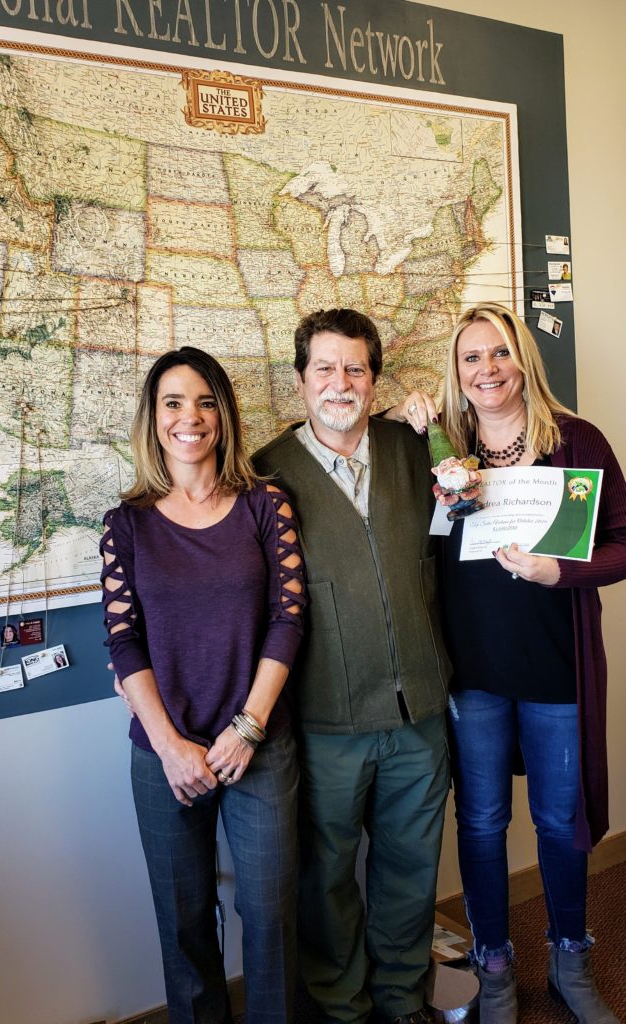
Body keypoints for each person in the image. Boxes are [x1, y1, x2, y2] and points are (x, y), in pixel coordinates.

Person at [390, 302, 626, 1024]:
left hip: (556, 670)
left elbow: (622, 542)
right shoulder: (443, 451)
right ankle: (493, 962)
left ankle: (569, 955)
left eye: (498, 353)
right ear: (456, 375)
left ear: (522, 358)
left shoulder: (576, 440)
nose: (486, 369)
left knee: (559, 824)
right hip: (474, 674)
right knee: (483, 822)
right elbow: (415, 542)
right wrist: (412, 427)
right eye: (470, 358)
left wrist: (564, 573)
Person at [253, 308, 451, 1024]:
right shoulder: (264, 473)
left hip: (419, 714)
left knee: (409, 873)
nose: (341, 383)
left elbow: (469, 507)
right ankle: (341, 1006)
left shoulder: (410, 446)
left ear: (373, 379)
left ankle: (402, 1002)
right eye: (325, 369)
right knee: (326, 878)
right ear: (300, 380)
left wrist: (436, 422)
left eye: (355, 369)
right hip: (325, 719)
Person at [101, 346, 305, 1024]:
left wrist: (246, 728)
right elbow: (122, 640)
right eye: (173, 402)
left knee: (270, 912)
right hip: (165, 754)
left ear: (224, 415)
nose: (191, 417)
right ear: (152, 418)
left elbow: (289, 618)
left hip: (257, 744)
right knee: (183, 917)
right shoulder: (125, 524)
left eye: (206, 402)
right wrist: (169, 746)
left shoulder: (263, 504)